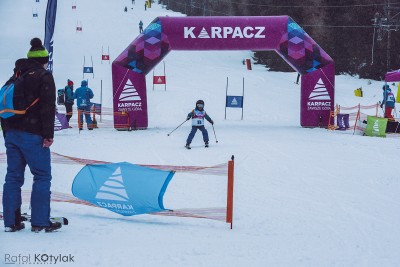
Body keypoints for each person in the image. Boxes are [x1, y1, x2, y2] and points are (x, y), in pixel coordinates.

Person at [1, 37, 62, 232]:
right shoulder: (43, 76)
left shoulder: (15, 77)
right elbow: (47, 107)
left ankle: (11, 222)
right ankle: (40, 222)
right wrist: (48, 135)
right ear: (44, 59)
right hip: (33, 133)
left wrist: (8, 134)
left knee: (13, 177)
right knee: (42, 176)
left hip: (11, 134)